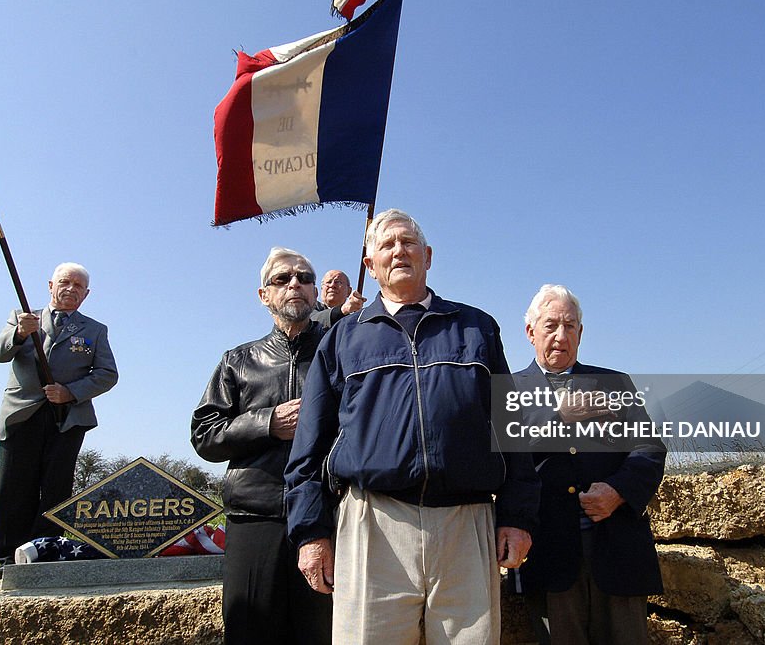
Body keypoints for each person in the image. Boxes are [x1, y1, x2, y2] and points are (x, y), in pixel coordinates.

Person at [286, 209, 540, 644]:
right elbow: (309, 447)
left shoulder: (477, 328)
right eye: (386, 244)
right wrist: (311, 532)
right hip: (372, 524)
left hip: (466, 524)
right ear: (370, 264)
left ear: (428, 256)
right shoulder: (342, 339)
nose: (398, 251)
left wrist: (516, 517)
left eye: (408, 243)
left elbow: (511, 427)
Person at [191, 247, 332, 645]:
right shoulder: (238, 360)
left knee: (322, 632)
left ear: (315, 291)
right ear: (263, 295)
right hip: (255, 517)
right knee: (252, 632)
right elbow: (205, 435)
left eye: (304, 278)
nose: (295, 285)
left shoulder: (340, 352)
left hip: (327, 517)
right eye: (282, 279)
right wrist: (267, 423)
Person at [512, 285, 666, 645]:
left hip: (617, 548)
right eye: (551, 326)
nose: (561, 337)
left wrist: (618, 491)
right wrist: (558, 416)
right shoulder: (507, 390)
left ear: (581, 333)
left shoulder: (613, 383)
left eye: (570, 326)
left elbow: (650, 446)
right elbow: (504, 455)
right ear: (530, 332)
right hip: (549, 553)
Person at [0, 262, 118, 579]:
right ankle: (9, 561)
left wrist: (70, 392)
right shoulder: (23, 317)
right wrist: (19, 333)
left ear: (86, 294)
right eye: (65, 282)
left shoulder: (94, 330)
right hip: (22, 414)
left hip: (67, 418)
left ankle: (44, 554)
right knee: (15, 485)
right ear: (50, 285)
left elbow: (107, 374)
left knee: (55, 489)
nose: (71, 289)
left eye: (78, 286)